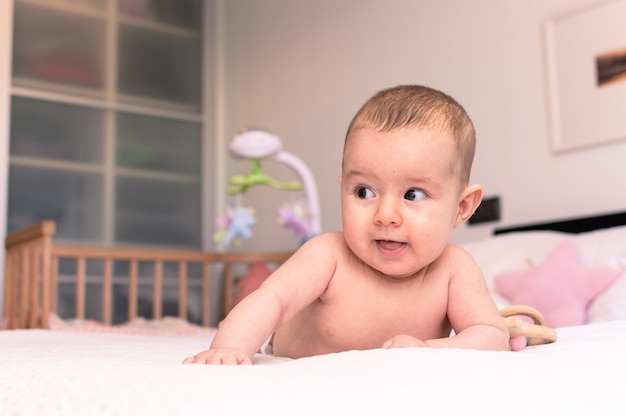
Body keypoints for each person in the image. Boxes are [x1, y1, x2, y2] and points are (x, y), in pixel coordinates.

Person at [183, 85, 510, 365]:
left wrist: (427, 350)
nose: (386, 215)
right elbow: (271, 300)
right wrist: (229, 348)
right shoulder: (329, 255)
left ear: (461, 207)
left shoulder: (454, 269)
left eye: (413, 194)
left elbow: (492, 335)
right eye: (363, 192)